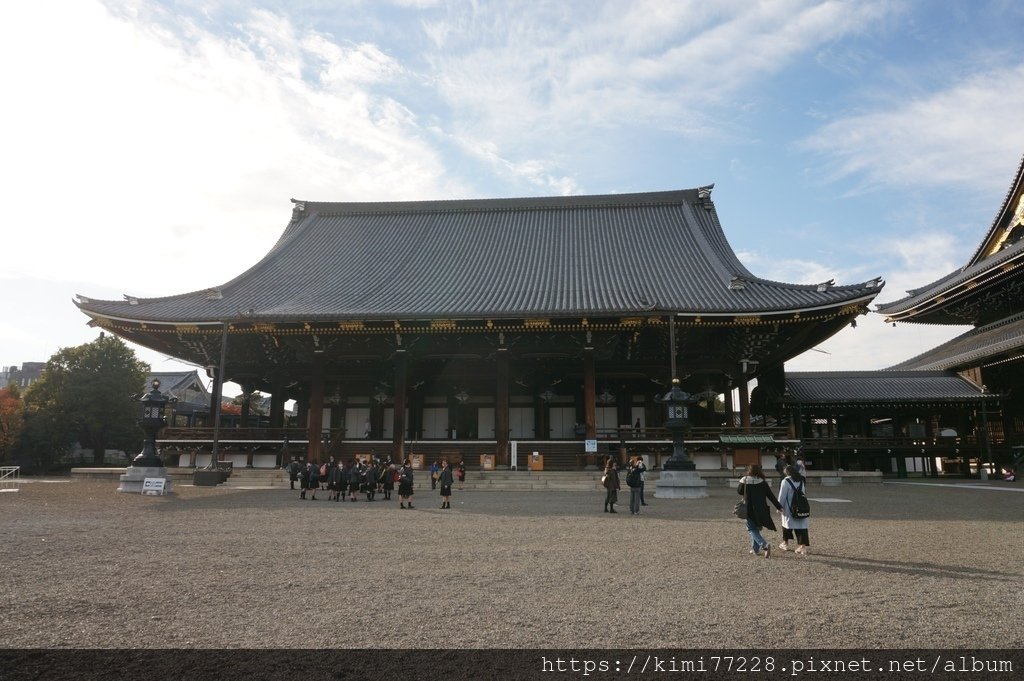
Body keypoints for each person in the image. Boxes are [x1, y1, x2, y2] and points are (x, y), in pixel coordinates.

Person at [736, 464, 781, 557]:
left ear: (749, 471)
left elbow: (739, 491)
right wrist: (779, 506)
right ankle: (755, 549)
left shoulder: (745, 480)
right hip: (762, 509)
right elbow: (771, 496)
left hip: (749, 509)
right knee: (756, 528)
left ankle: (764, 544)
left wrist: (742, 480)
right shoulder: (763, 482)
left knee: (751, 529)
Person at [777, 464, 810, 556]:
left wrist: (779, 506)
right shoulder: (801, 480)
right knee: (802, 526)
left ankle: (785, 543)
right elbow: (803, 493)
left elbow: (782, 495)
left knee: (787, 525)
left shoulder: (785, 481)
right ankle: (802, 547)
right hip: (800, 506)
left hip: (789, 507)